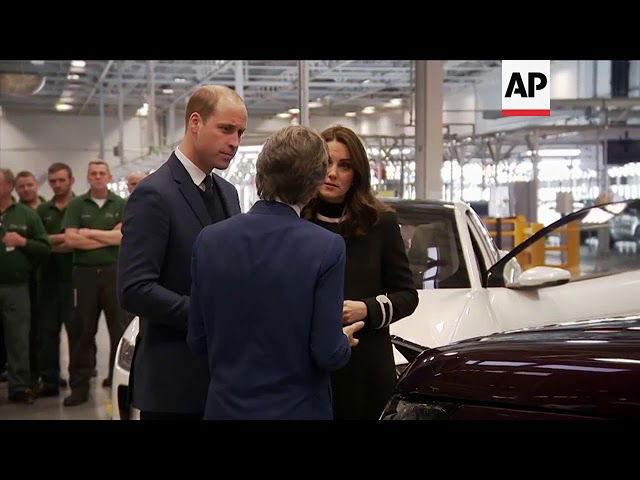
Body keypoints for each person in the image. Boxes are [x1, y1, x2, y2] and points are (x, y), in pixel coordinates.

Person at [187, 125, 364, 420]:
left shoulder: (210, 240)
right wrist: (342, 342)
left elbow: (198, 340)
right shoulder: (325, 247)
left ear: (259, 174)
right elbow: (326, 352)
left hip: (225, 409)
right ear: (315, 182)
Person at [118, 85, 247, 420]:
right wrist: (207, 315)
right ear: (195, 123)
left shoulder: (227, 193)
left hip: (224, 381)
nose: (235, 142)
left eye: (240, 132)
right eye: (226, 129)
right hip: (173, 384)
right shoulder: (154, 195)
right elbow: (134, 289)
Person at [302, 125, 419, 420]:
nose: (332, 173)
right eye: (326, 162)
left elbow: (407, 296)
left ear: (357, 174)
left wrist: (366, 309)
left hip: (366, 369)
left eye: (344, 166)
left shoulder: (380, 223)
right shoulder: (297, 221)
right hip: (309, 370)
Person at [61, 160, 127, 406]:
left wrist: (88, 232)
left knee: (118, 331)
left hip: (113, 274)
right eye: (93, 174)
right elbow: (71, 240)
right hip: (85, 275)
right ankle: (79, 388)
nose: (98, 177)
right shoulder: (77, 204)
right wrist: (109, 237)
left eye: (102, 173)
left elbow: (124, 238)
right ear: (88, 177)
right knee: (82, 332)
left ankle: (116, 379)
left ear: (109, 176)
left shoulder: (121, 203)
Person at [0, 168, 50, 404]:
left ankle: (19, 386)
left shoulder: (27, 215)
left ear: (9, 187)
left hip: (16, 287)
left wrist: (23, 242)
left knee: (18, 338)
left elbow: (44, 248)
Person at [35, 163, 76, 396]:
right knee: (48, 333)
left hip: (74, 280)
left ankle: (77, 382)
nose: (57, 185)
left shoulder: (80, 205)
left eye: (61, 180)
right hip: (48, 281)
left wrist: (55, 242)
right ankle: (49, 381)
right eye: (53, 181)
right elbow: (41, 243)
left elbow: (77, 242)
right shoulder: (42, 211)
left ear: (71, 180)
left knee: (78, 332)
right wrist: (68, 239)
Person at [15, 170, 47, 390]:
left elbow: (51, 242)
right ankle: (27, 373)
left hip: (50, 278)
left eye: (29, 185)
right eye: (22, 186)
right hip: (23, 281)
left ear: (36, 185)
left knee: (44, 330)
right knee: (24, 331)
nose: (26, 189)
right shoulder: (14, 213)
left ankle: (45, 373)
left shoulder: (44, 209)